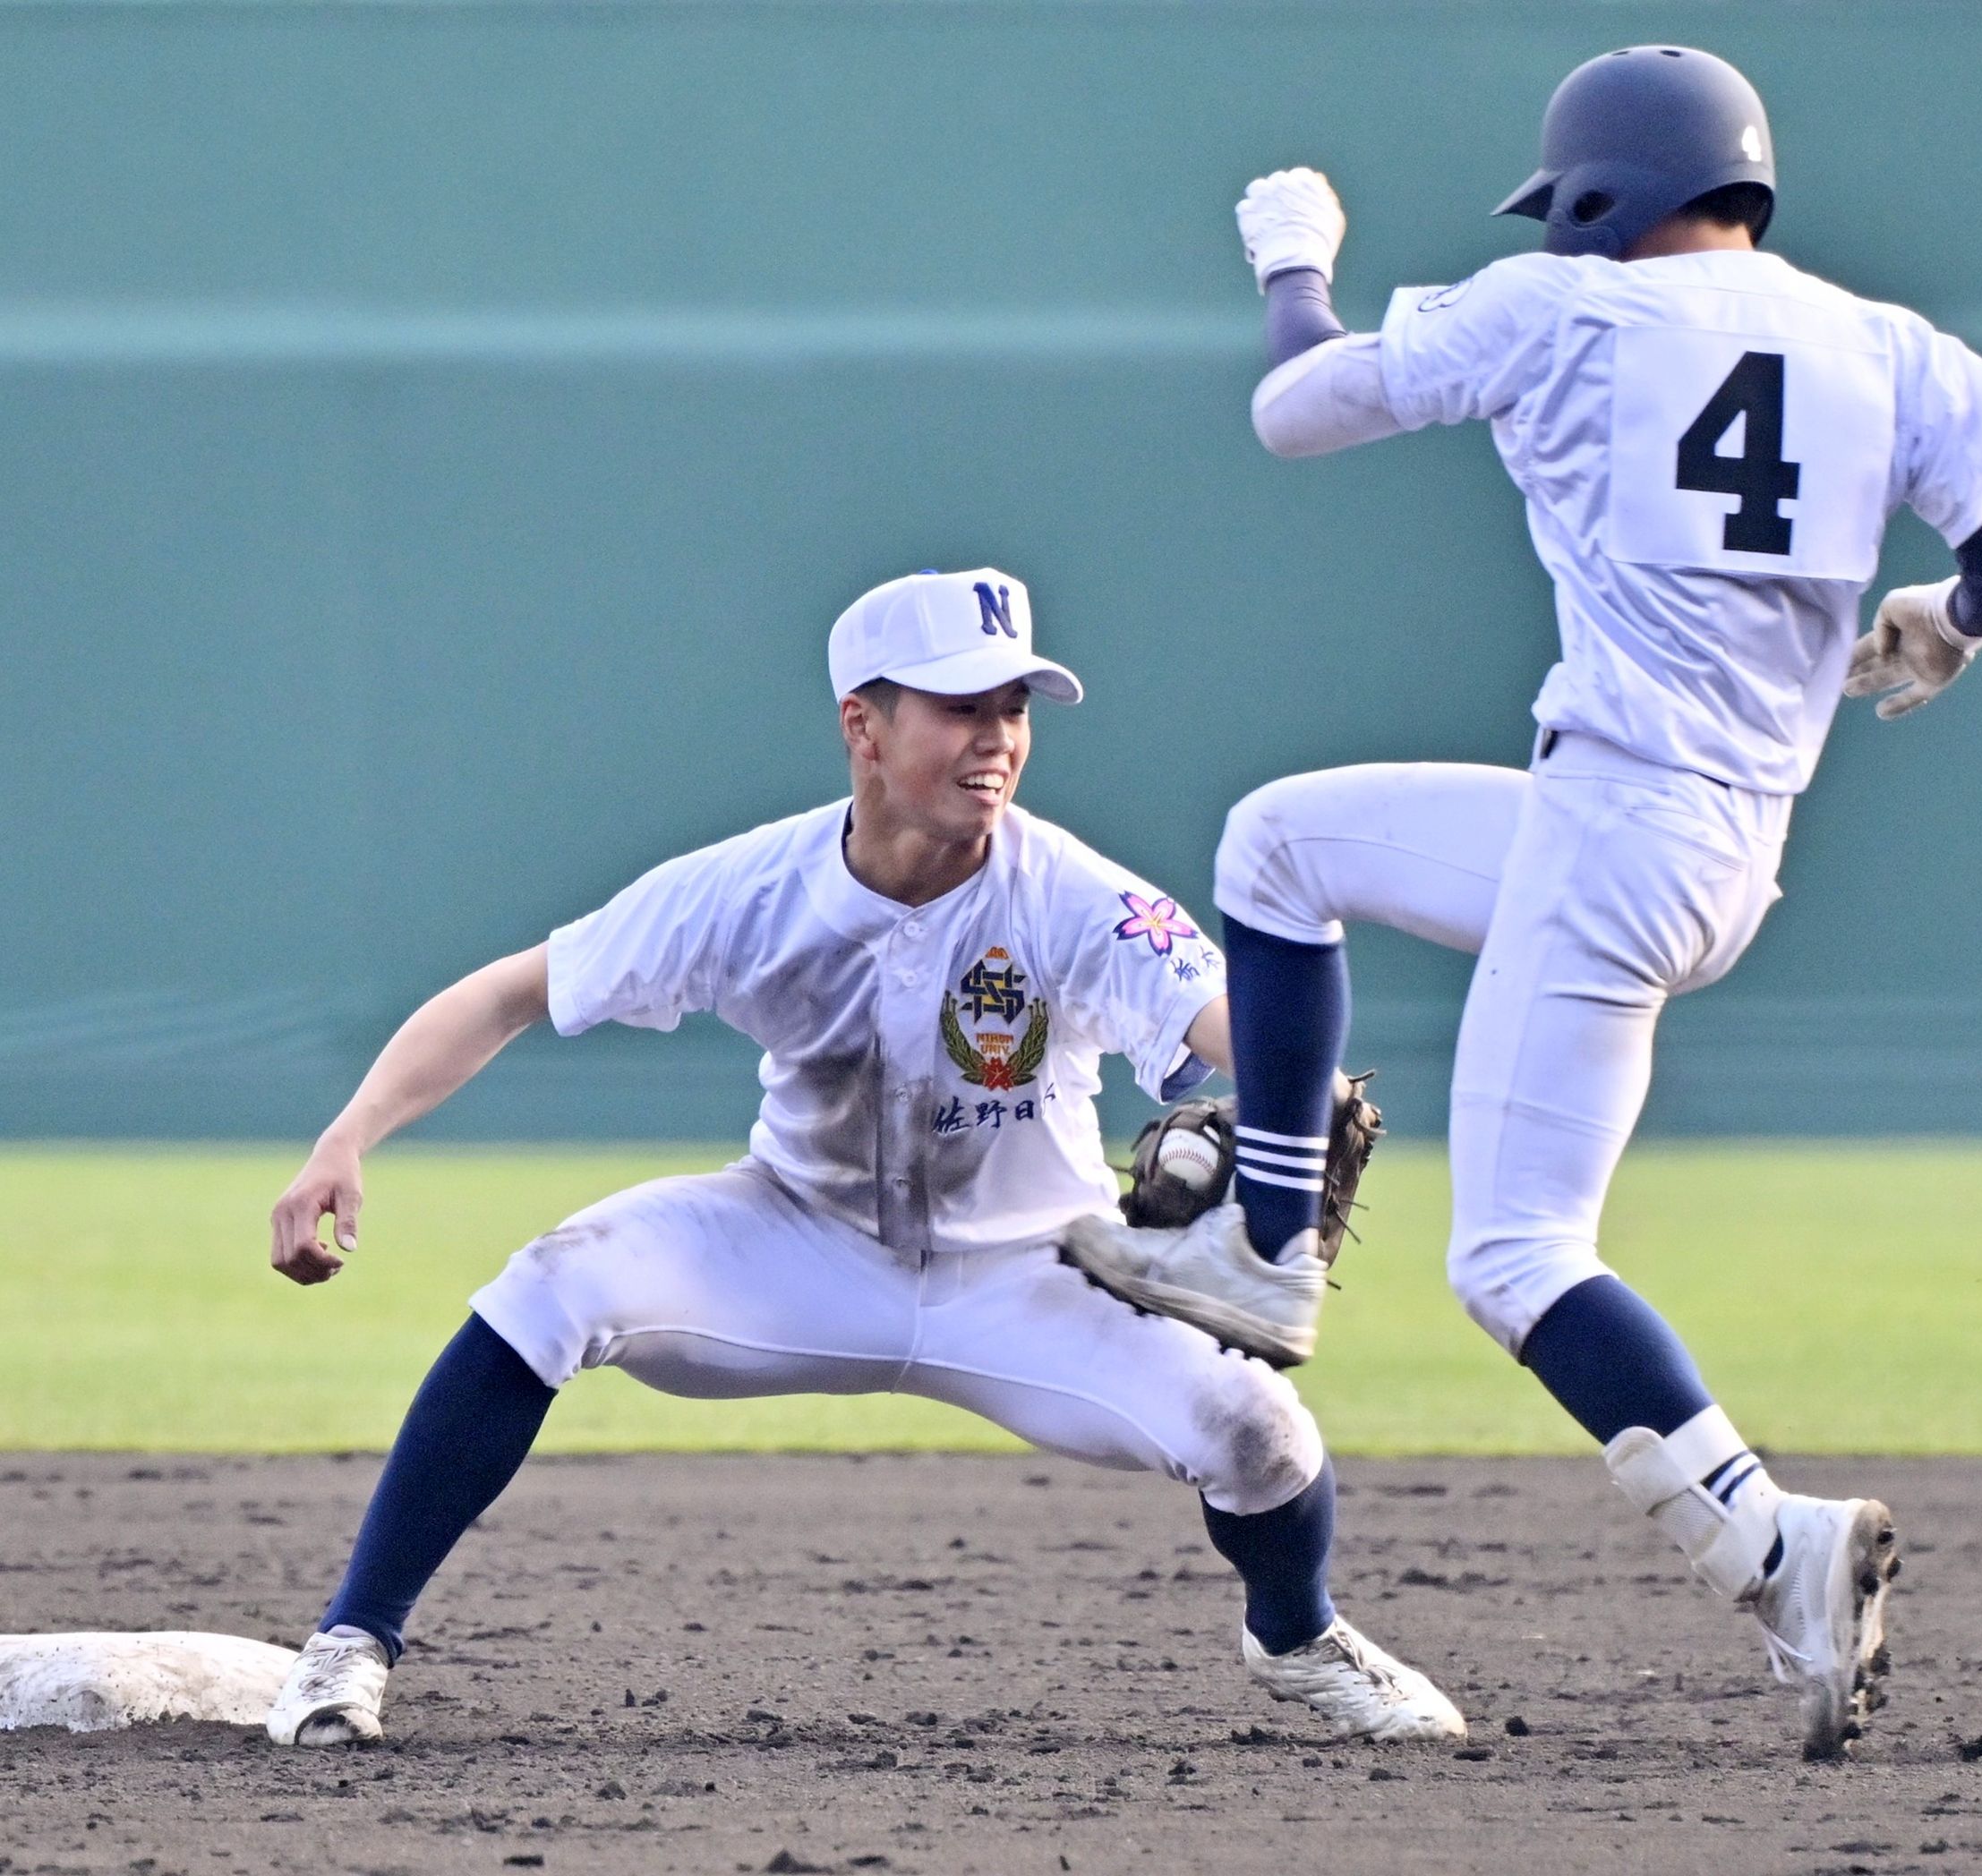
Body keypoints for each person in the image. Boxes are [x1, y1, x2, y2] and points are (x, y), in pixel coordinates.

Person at [1060, 47, 1982, 1760]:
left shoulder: (1566, 309)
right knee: (1279, 846)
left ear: (1600, 190)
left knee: (1518, 1254)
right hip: (1720, 845)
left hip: (1614, 833)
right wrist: (1941, 624)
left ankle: (1776, 1548)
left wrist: (1292, 260)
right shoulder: (1889, 344)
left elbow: (1296, 406)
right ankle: (1266, 1248)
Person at [260, 567, 1466, 1750]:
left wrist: (1292, 1086)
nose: (996, 738)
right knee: (548, 1287)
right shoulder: (748, 889)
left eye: (1014, 709)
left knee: (1257, 1432)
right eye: (960, 707)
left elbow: (1224, 1021)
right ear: (863, 726)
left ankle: (1297, 1636)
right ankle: (353, 1639)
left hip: (1036, 1276)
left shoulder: (1076, 894)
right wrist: (345, 1137)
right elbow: (508, 993)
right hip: (795, 1241)